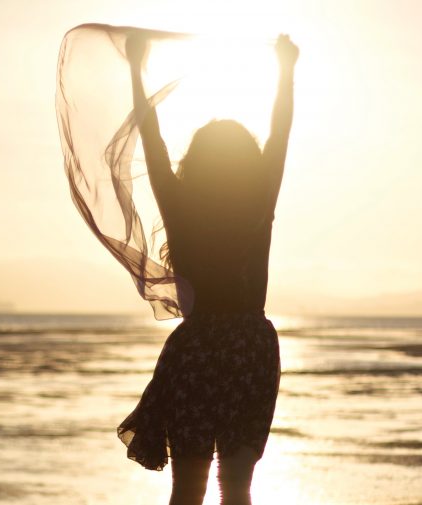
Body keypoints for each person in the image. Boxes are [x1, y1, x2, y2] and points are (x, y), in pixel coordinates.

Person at [117, 34, 299, 505]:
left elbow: (152, 141)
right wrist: (286, 69)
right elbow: (280, 134)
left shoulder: (181, 206)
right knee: (237, 487)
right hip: (250, 347)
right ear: (248, 163)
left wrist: (137, 71)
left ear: (195, 162)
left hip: (197, 349)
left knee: (188, 487)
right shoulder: (258, 202)